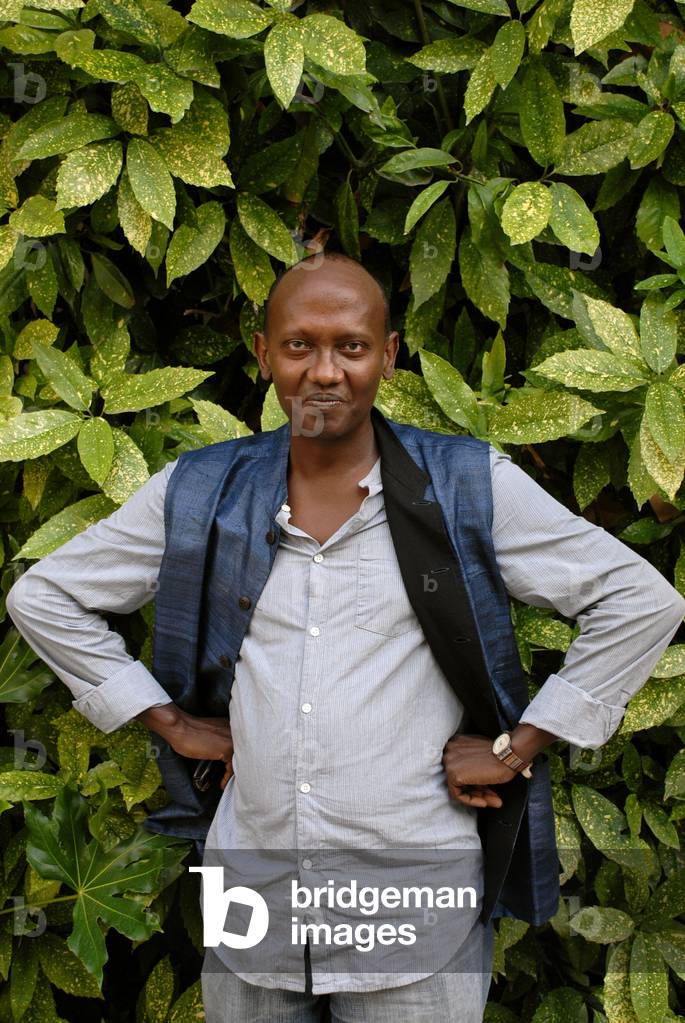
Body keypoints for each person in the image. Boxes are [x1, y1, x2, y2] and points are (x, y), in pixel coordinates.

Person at [6, 252, 685, 1023]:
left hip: (414, 906)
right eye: (299, 344)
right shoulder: (200, 492)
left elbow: (637, 601)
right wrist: (169, 721)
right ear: (263, 354)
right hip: (254, 896)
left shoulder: (465, 485)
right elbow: (46, 595)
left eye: (351, 346)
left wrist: (516, 744)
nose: (324, 371)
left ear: (387, 357)